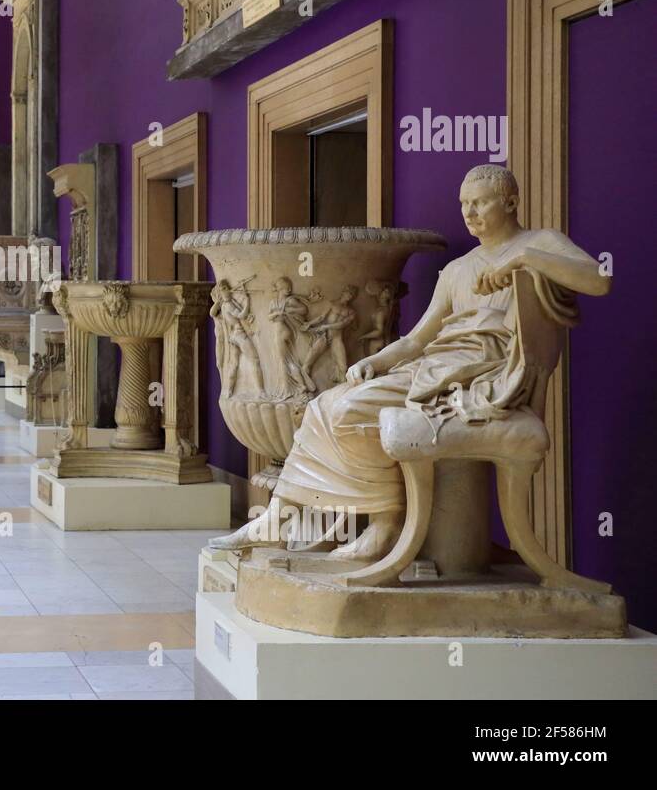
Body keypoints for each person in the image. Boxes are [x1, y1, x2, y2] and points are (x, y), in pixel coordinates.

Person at [211, 164, 610, 561]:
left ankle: (386, 524)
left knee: (349, 409)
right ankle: (277, 522)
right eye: (464, 204)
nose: (469, 213)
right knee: (321, 406)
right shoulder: (458, 270)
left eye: (480, 203)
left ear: (510, 202)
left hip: (483, 373)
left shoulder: (541, 243)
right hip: (439, 365)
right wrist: (376, 361)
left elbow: (598, 279)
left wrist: (523, 258)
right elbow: (418, 339)